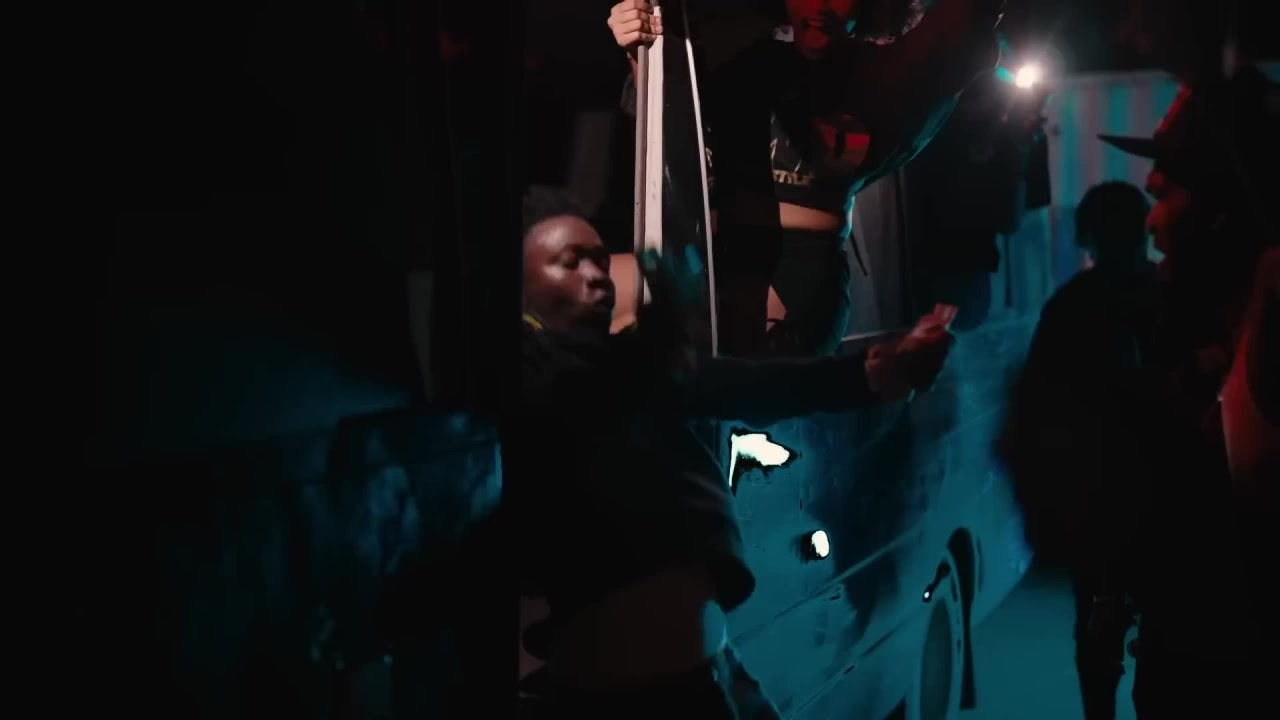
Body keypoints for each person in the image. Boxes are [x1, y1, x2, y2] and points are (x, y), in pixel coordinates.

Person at [514, 186, 956, 717]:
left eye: (600, 261)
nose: (597, 275)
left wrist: (881, 370)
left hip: (710, 680)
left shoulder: (643, 372)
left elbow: (764, 385)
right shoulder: (522, 391)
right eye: (570, 262)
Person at [608, 0, 1004, 357]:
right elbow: (666, 113)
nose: (818, 4)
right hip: (712, 253)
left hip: (791, 277)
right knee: (585, 308)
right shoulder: (748, 58)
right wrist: (638, 41)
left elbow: (967, 29)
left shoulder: (885, 78)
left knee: (658, 355)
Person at [1095, 56, 1279, 716]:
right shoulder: (1182, 325)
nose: (1151, 223)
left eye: (1167, 194)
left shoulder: (1256, 331)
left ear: (1223, 210)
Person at [999, 182, 1158, 720]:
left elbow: (1034, 410)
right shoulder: (1171, 298)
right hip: (1162, 502)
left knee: (1098, 636)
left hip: (1099, 506)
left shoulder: (1070, 307)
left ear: (1088, 236)